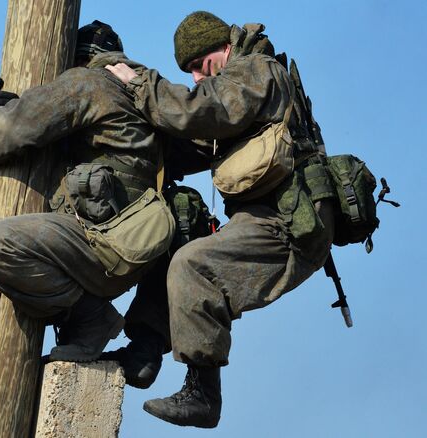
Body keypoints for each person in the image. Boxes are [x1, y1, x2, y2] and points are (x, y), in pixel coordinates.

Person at [106, 11, 335, 428]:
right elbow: (188, 141)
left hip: (287, 221)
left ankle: (203, 396)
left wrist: (140, 83)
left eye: (200, 65)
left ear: (224, 48)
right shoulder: (235, 89)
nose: (196, 77)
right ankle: (145, 346)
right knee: (177, 236)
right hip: (265, 216)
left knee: (196, 267)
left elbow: (199, 111)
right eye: (190, 71)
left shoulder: (254, 72)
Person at [0, 21, 211, 372]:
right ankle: (84, 313)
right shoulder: (148, 93)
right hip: (125, 247)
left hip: (101, 245)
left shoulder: (88, 82)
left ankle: (91, 318)